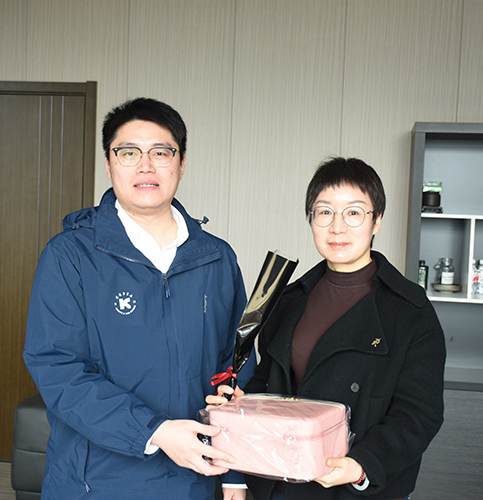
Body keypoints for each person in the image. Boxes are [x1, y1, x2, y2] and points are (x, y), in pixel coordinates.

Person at [23, 97, 255, 500]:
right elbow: (58, 368)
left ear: (181, 164)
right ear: (108, 164)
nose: (145, 166)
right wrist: (156, 432)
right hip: (95, 483)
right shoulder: (70, 256)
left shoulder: (216, 258)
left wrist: (234, 473)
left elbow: (235, 366)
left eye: (161, 152)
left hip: (193, 480)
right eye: (129, 152)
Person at [207, 157, 446, 500]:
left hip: (352, 488)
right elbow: (268, 382)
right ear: (311, 219)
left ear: (377, 220)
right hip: (278, 482)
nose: (337, 227)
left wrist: (362, 466)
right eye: (324, 212)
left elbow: (419, 414)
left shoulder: (410, 311)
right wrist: (247, 403)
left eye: (354, 212)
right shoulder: (288, 299)